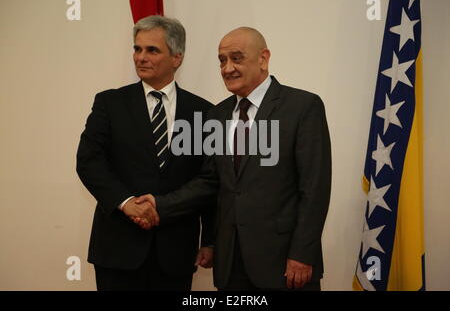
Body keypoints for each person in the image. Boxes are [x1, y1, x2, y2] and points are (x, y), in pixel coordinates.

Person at [135, 27, 332, 291]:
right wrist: (161, 204)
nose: (227, 68)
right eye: (222, 60)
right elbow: (210, 182)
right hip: (231, 264)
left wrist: (302, 253)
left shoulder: (302, 107)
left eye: (236, 58)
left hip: (284, 262)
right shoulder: (217, 115)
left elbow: (314, 189)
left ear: (263, 59)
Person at [76, 15, 215, 291]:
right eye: (137, 49)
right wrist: (126, 202)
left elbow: (208, 180)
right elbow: (89, 161)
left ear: (177, 57)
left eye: (152, 50)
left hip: (175, 251)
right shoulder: (109, 103)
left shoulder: (204, 112)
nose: (141, 57)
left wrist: (209, 239)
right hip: (118, 250)